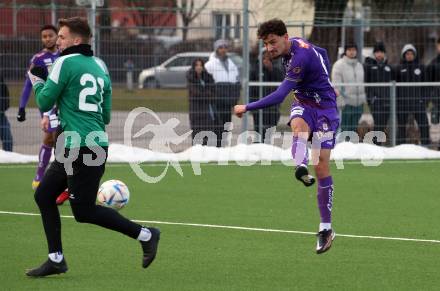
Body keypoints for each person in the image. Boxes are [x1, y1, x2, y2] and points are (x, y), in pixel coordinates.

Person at [25, 17, 160, 277]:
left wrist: (36, 79)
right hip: (88, 143)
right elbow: (106, 116)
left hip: (79, 146)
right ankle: (56, 259)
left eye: (62, 37)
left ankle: (146, 234)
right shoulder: (100, 66)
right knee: (44, 195)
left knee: (84, 211)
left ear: (76, 40)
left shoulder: (64, 62)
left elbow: (43, 102)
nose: (58, 41)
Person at [234, 19, 339, 254]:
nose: (270, 48)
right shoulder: (295, 48)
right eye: (266, 44)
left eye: (273, 42)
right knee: (298, 127)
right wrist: (328, 78)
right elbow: (321, 52)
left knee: (321, 166)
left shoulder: (299, 58)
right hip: (303, 103)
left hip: (325, 110)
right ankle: (300, 167)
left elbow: (280, 95)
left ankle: (326, 229)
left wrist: (247, 107)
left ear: (285, 37)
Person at [16, 25, 64, 191]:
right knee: (51, 138)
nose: (47, 39)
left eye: (50, 35)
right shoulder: (37, 59)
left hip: (64, 103)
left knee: (59, 139)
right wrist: (21, 108)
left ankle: (61, 179)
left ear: (57, 36)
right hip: (48, 104)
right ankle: (40, 175)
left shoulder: (64, 55)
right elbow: (29, 84)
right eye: (44, 36)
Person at [205, 39, 240, 146]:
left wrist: (234, 99)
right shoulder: (209, 65)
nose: (223, 50)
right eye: (220, 47)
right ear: (216, 49)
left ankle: (223, 147)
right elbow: (206, 84)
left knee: (226, 126)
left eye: (225, 47)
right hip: (216, 101)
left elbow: (236, 82)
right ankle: (215, 148)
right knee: (216, 126)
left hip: (228, 101)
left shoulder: (232, 64)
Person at [395, 44, 429, 145]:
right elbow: (395, 86)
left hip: (418, 103)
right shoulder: (399, 68)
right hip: (402, 104)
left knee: (424, 125)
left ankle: (425, 146)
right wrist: (398, 100)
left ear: (415, 55)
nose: (409, 55)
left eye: (411, 53)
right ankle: (400, 148)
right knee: (401, 127)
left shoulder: (421, 67)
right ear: (404, 55)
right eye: (407, 54)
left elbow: (426, 86)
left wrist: (424, 100)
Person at [249, 51, 284, 142]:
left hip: (272, 105)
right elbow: (251, 88)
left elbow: (281, 81)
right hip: (259, 104)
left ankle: (267, 147)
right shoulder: (255, 70)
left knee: (270, 129)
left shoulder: (276, 69)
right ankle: (258, 146)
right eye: (264, 58)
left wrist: (271, 69)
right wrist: (252, 104)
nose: (266, 61)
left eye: (268, 59)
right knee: (259, 130)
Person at [331, 43, 366, 133]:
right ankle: (343, 146)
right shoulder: (339, 65)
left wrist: (363, 100)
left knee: (354, 129)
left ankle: (352, 146)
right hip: (346, 104)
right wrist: (341, 101)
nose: (351, 52)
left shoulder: (359, 65)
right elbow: (336, 85)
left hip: (358, 104)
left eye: (353, 50)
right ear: (345, 51)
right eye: (349, 50)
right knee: (345, 129)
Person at [364, 41, 393, 145]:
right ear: (374, 53)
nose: (379, 54)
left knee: (383, 124)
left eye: (381, 52)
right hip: (375, 101)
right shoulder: (369, 66)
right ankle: (376, 145)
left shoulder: (388, 67)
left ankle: (379, 145)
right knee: (378, 123)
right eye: (377, 52)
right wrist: (370, 98)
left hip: (387, 100)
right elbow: (366, 84)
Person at [186, 58, 219, 145]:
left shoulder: (208, 77)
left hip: (208, 112)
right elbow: (197, 94)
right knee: (197, 136)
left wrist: (206, 94)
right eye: (197, 65)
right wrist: (207, 94)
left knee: (209, 135)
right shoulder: (191, 79)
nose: (199, 67)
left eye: (201, 65)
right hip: (196, 112)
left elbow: (213, 92)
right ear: (194, 67)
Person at [425, 38, 440, 128]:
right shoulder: (433, 63)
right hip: (436, 99)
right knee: (435, 124)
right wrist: (431, 95)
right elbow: (428, 81)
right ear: (437, 47)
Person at [0, 73, 13, 151]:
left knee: (7, 138)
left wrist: (3, 107)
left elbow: (5, 93)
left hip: (1, 115)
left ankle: (9, 157)